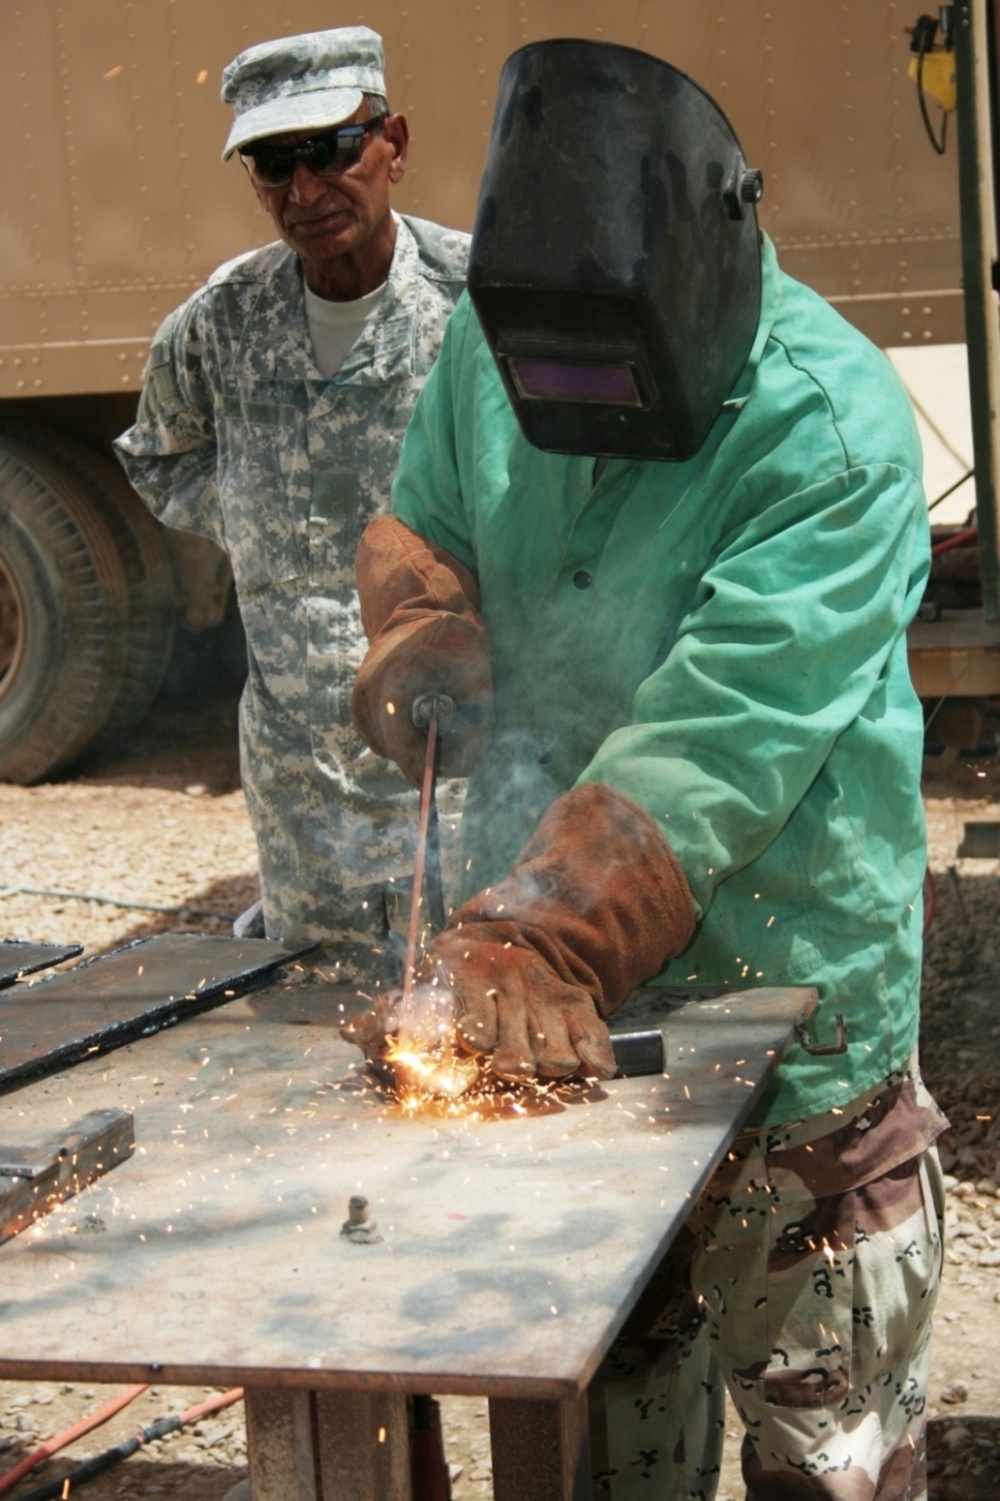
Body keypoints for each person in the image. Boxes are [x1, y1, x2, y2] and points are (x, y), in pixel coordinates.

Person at [344, 39, 948, 1501]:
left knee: (832, 1466)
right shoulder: (497, 349)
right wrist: (426, 614)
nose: (573, 402)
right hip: (566, 1063)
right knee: (606, 1457)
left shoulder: (831, 422)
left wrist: (545, 925)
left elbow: (725, 732)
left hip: (792, 1037)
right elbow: (428, 514)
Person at [115, 28, 469, 981]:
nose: (305, 191)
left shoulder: (476, 305)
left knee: (469, 1031)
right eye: (274, 164)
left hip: (450, 771)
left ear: (393, 141)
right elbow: (160, 453)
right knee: (311, 1036)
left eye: (331, 150)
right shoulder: (225, 320)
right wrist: (254, 521)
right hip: (296, 776)